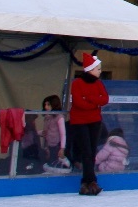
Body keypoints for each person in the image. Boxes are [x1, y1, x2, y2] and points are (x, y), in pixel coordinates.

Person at [68, 52, 110, 196]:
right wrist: (94, 102)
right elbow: (79, 103)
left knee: (91, 151)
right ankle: (91, 181)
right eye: (98, 69)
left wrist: (90, 99)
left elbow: (104, 99)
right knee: (86, 151)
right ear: (91, 69)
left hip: (95, 121)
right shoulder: (77, 83)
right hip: (80, 122)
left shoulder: (98, 83)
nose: (100, 71)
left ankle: (87, 182)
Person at [39, 94, 67, 171]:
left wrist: (62, 148)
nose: (46, 107)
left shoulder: (59, 117)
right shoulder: (47, 117)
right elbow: (45, 132)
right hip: (48, 144)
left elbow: (63, 134)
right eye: (45, 105)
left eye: (48, 105)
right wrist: (36, 132)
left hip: (56, 146)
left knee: (54, 164)